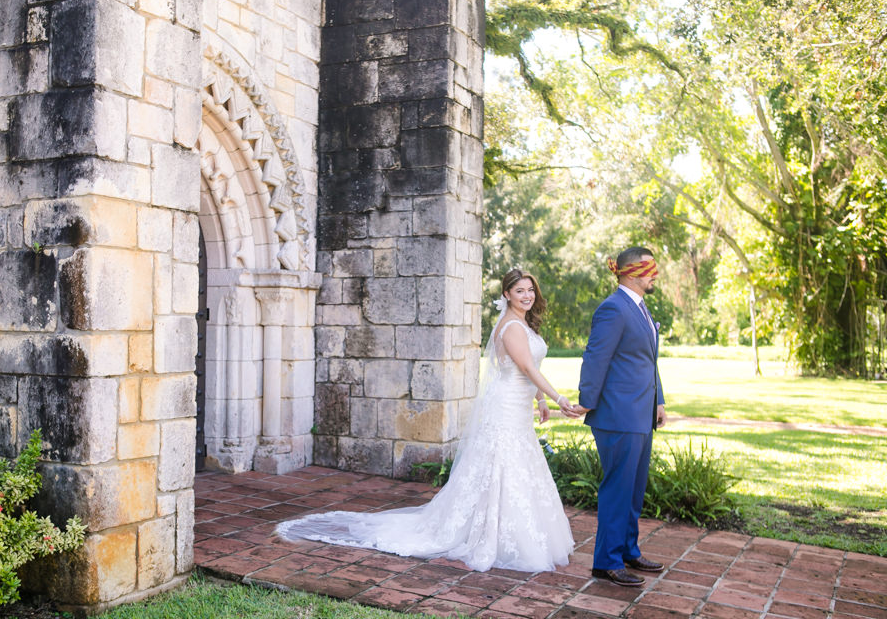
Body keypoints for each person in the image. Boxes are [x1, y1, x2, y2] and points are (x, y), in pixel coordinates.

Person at [276, 269, 576, 573]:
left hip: (518, 405)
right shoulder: (511, 327)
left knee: (516, 464)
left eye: (530, 290)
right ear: (506, 295)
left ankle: (504, 528)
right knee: (501, 464)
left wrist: (539, 400)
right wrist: (558, 398)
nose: (527, 296)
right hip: (506, 406)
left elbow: (532, 366)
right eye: (520, 291)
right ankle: (487, 533)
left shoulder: (523, 324)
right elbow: (526, 367)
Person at [577, 246, 667, 587]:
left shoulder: (640, 310)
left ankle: (628, 550)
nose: (655, 275)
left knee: (634, 488)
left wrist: (659, 401)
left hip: (642, 412)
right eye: (650, 269)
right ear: (631, 272)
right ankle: (607, 561)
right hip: (617, 415)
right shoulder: (613, 309)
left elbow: (647, 360)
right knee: (617, 488)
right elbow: (595, 357)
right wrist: (587, 400)